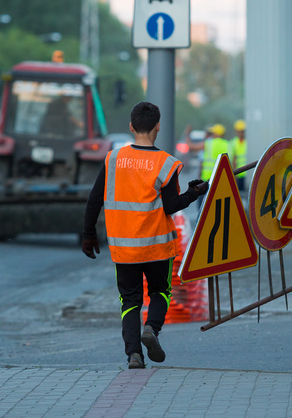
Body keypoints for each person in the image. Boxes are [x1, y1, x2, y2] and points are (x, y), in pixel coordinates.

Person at [81, 102, 209, 369]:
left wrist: (89, 232)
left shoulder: (113, 159)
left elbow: (95, 199)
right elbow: (172, 206)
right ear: (157, 127)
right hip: (156, 246)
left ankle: (134, 355)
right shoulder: (167, 163)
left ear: (131, 126)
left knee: (129, 301)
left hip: (124, 247)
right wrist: (194, 193)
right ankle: (151, 328)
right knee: (161, 291)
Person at [229, 120, 248, 191]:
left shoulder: (248, 141)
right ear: (236, 131)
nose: (241, 133)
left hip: (248, 173)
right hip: (239, 173)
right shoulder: (233, 143)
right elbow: (233, 160)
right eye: (239, 131)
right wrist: (235, 176)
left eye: (243, 131)